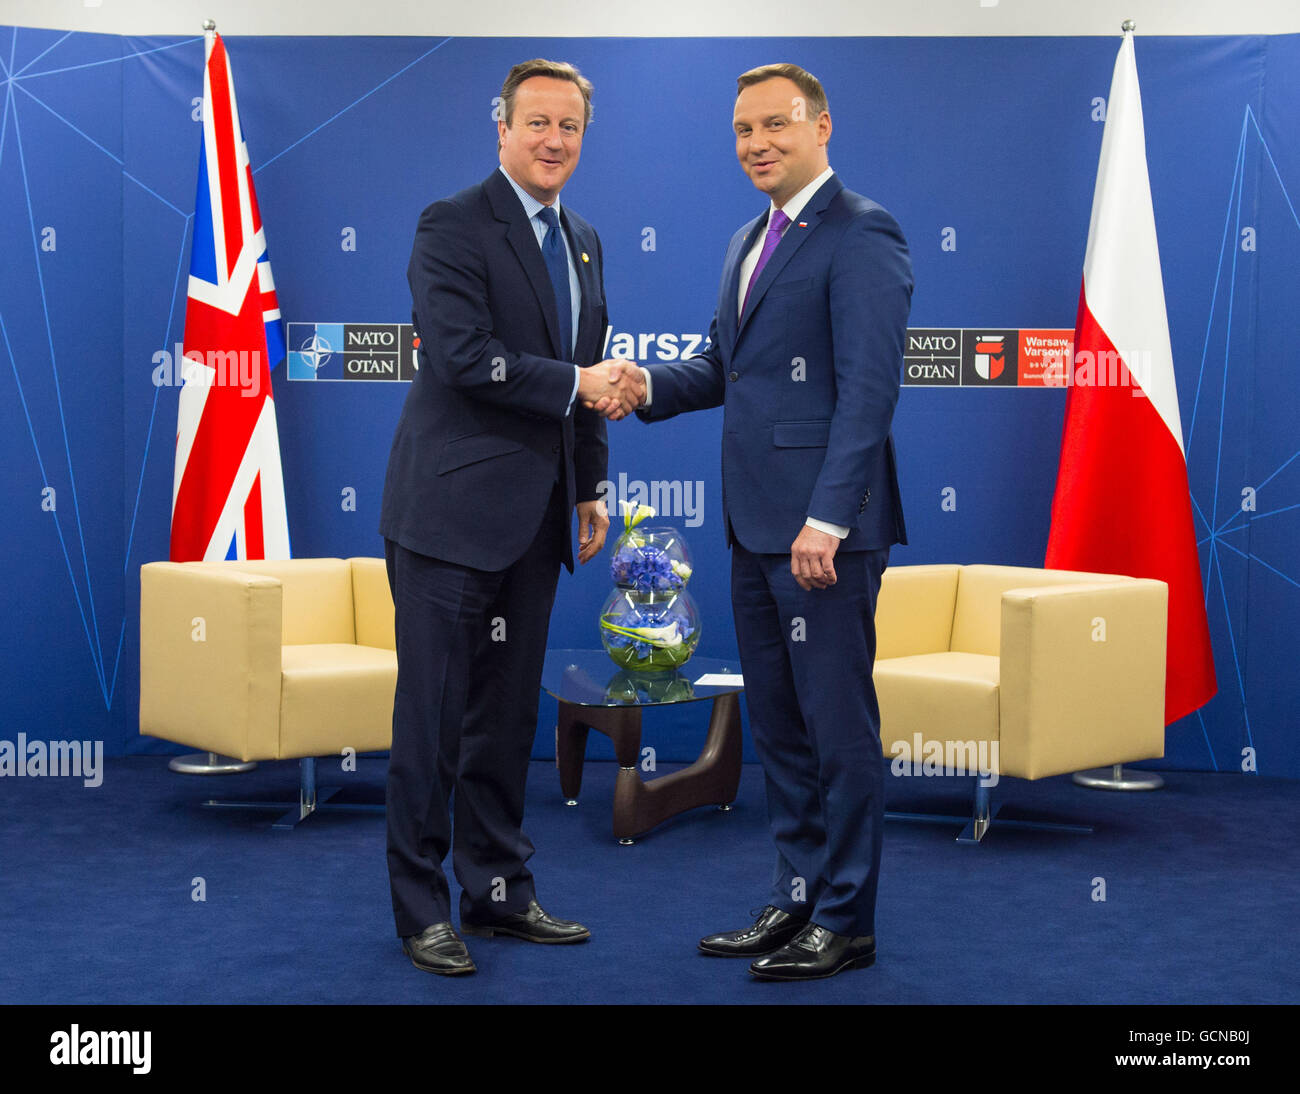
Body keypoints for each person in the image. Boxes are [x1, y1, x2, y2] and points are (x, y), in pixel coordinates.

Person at [613, 63, 912, 980]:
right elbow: (723, 368)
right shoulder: (750, 237)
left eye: (775, 125)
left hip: (823, 537)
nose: (757, 144)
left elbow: (868, 392)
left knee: (836, 728)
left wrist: (827, 518)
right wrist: (647, 385)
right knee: (778, 726)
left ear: (823, 126)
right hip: (752, 528)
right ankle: (796, 900)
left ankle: (848, 920)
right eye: (743, 130)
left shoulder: (862, 232)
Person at [379, 58, 644, 976]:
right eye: (536, 123)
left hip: (537, 520)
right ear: (501, 126)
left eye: (568, 127)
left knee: (502, 723)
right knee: (435, 720)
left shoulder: (586, 242)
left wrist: (590, 487)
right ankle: (421, 910)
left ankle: (496, 895)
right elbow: (464, 357)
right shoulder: (451, 224)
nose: (553, 141)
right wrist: (579, 383)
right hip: (449, 518)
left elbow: (593, 377)